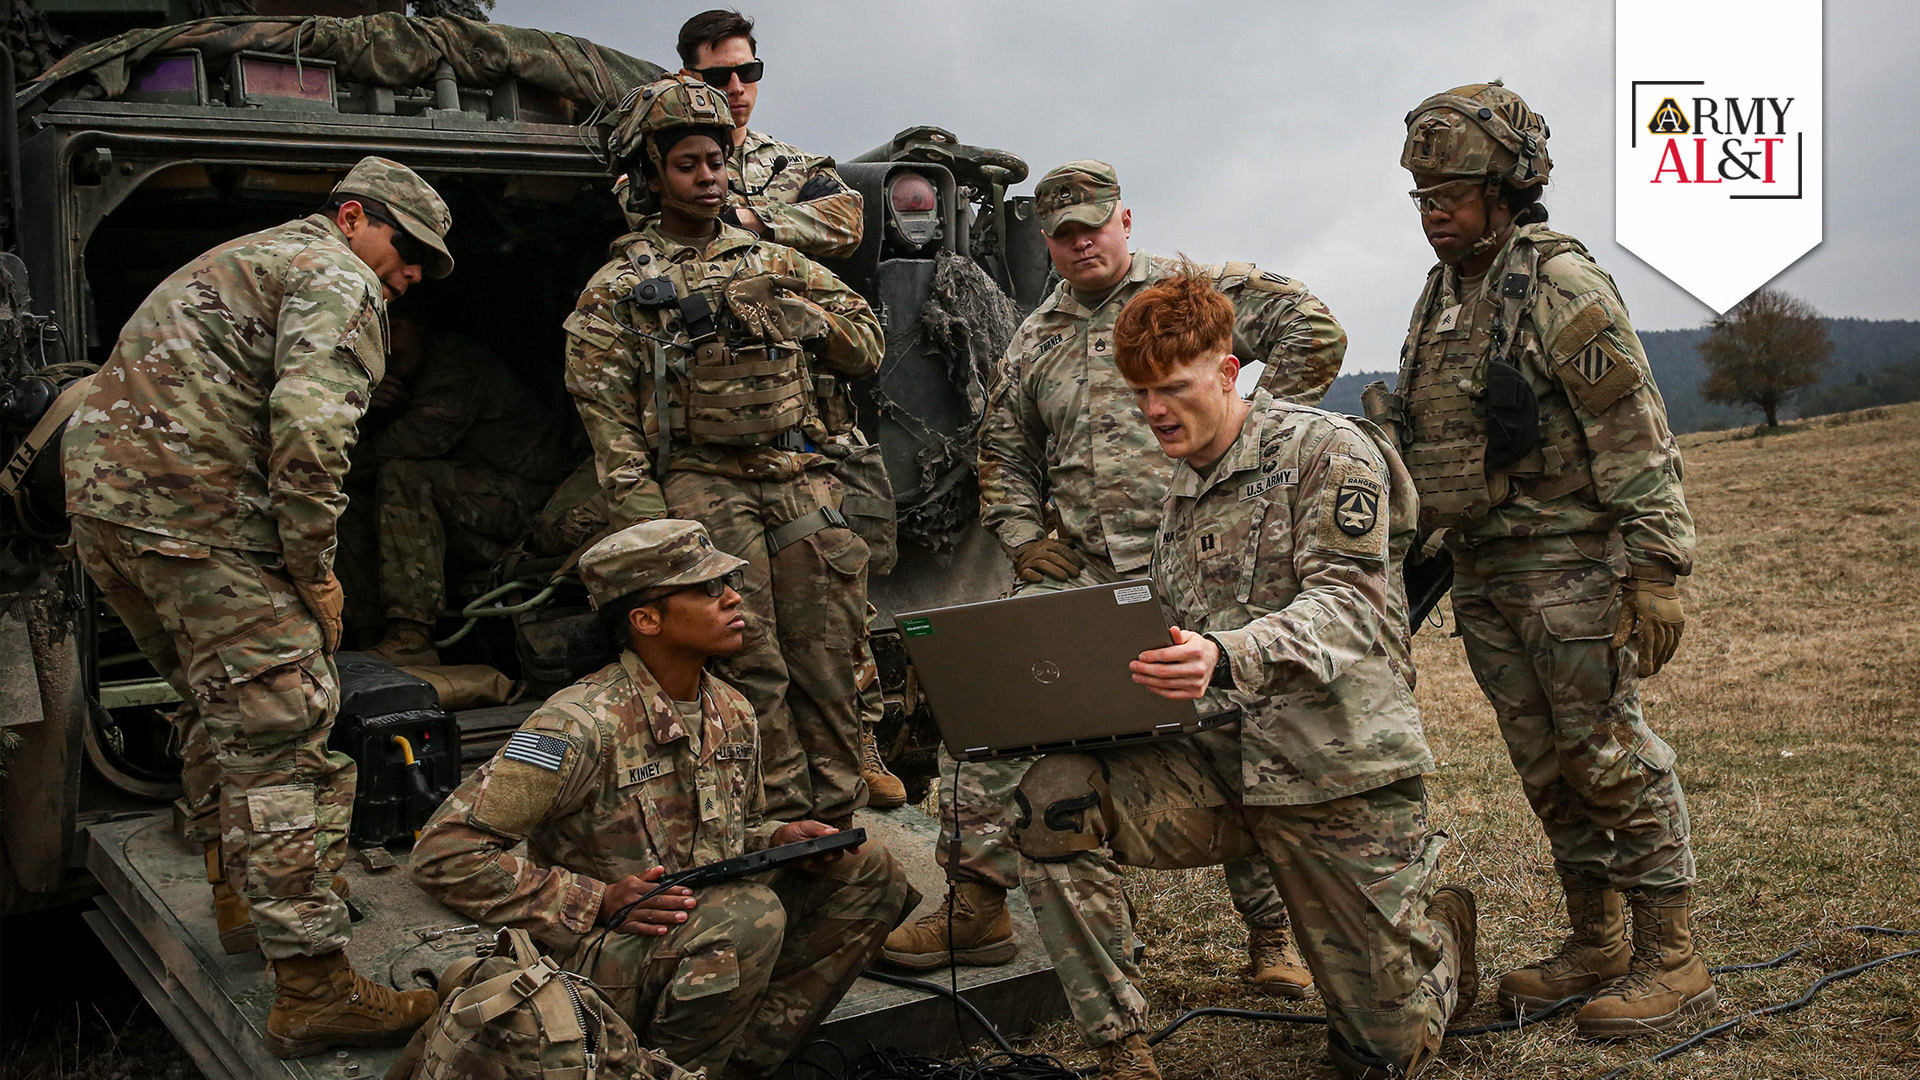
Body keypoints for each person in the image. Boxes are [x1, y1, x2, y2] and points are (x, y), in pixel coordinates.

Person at [883, 160, 1345, 992]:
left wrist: (1258, 441)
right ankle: (977, 900)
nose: (1081, 242)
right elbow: (1003, 450)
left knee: (1235, 728)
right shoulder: (1036, 339)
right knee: (992, 700)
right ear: (1047, 245)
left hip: (1205, 569)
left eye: (1093, 225)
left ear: (1125, 220)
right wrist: (1025, 538)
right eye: (1062, 235)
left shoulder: (1191, 294)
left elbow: (1315, 328)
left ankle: (1272, 937)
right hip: (1093, 573)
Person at [1013, 271, 1476, 1080]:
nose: (1154, 410)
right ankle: (1121, 1049)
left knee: (1382, 1059)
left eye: (1173, 388)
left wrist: (1228, 654)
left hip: (1337, 774)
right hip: (1221, 769)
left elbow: (1354, 609)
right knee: (1055, 797)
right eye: (1141, 393)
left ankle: (1441, 943)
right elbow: (1164, 633)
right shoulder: (1179, 495)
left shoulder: (1325, 451)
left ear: (1228, 375)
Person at [62, 156, 451, 1058]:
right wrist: (316, 571)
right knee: (288, 733)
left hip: (114, 516)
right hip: (202, 522)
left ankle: (237, 898)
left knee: (218, 704)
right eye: (410, 246)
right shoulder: (336, 277)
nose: (416, 272)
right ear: (354, 216)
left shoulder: (249, 258)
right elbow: (312, 435)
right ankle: (314, 987)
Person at [1379, 81, 1709, 1037]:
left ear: (1511, 186)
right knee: (1546, 767)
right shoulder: (1446, 291)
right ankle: (1596, 940)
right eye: (1423, 198)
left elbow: (1633, 431)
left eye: (1452, 195)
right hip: (1484, 568)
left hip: (1570, 568)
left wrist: (1654, 572)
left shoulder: (1558, 283)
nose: (1435, 214)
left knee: (1607, 757)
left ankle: (1672, 954)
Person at [410, 519, 917, 1079]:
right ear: (646, 619)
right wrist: (597, 899)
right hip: (598, 955)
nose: (733, 598)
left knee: (868, 872)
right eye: (707, 589)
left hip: (696, 933)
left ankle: (732, 1066)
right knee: (749, 916)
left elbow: (725, 837)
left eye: (730, 582)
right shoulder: (578, 725)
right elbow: (445, 854)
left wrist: (775, 840)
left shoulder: (732, 710)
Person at [566, 75, 885, 828]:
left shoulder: (776, 261)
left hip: (798, 478)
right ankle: (774, 823)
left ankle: (839, 820)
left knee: (830, 659)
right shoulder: (617, 290)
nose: (707, 177)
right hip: (703, 486)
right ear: (651, 175)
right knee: (748, 665)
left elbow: (867, 347)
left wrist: (805, 319)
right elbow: (609, 426)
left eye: (716, 161)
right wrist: (657, 539)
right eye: (686, 165)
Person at [360, 314, 579, 664]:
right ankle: (365, 632)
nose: (386, 346)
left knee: (402, 477)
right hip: (481, 504)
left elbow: (416, 439)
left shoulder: (457, 361)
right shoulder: (407, 373)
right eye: (375, 334)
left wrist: (357, 406)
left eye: (395, 328)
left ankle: (411, 635)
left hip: (533, 503)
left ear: (421, 324)